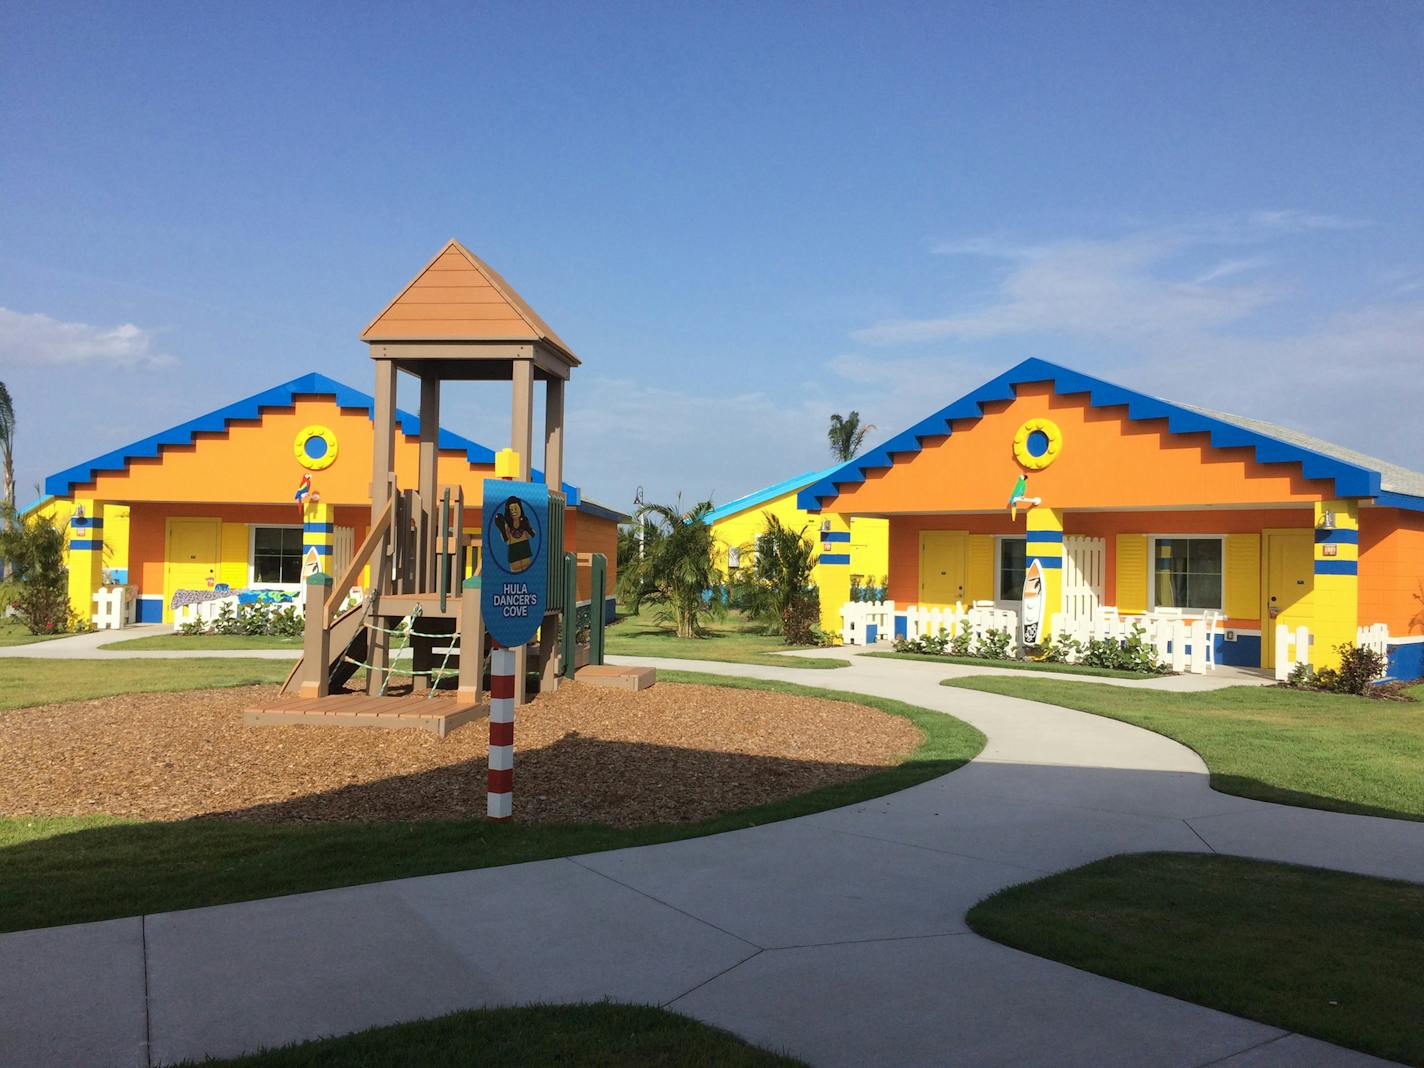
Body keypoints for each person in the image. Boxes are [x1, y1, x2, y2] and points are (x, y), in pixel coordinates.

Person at [493, 496, 536, 573]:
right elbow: (505, 539)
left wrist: (528, 529)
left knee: (527, 570)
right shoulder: (507, 525)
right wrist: (503, 530)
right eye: (511, 510)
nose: (514, 511)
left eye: (515, 508)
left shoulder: (524, 521)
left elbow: (532, 534)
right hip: (513, 551)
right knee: (516, 570)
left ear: (520, 508)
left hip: (525, 549)